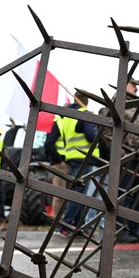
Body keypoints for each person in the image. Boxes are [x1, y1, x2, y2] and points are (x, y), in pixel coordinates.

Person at [43, 93, 101, 236]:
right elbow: (91, 136)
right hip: (81, 159)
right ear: (86, 102)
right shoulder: (83, 114)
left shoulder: (68, 117)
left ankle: (75, 225)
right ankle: (66, 225)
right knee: (77, 195)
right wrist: (100, 133)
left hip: (72, 159)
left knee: (77, 194)